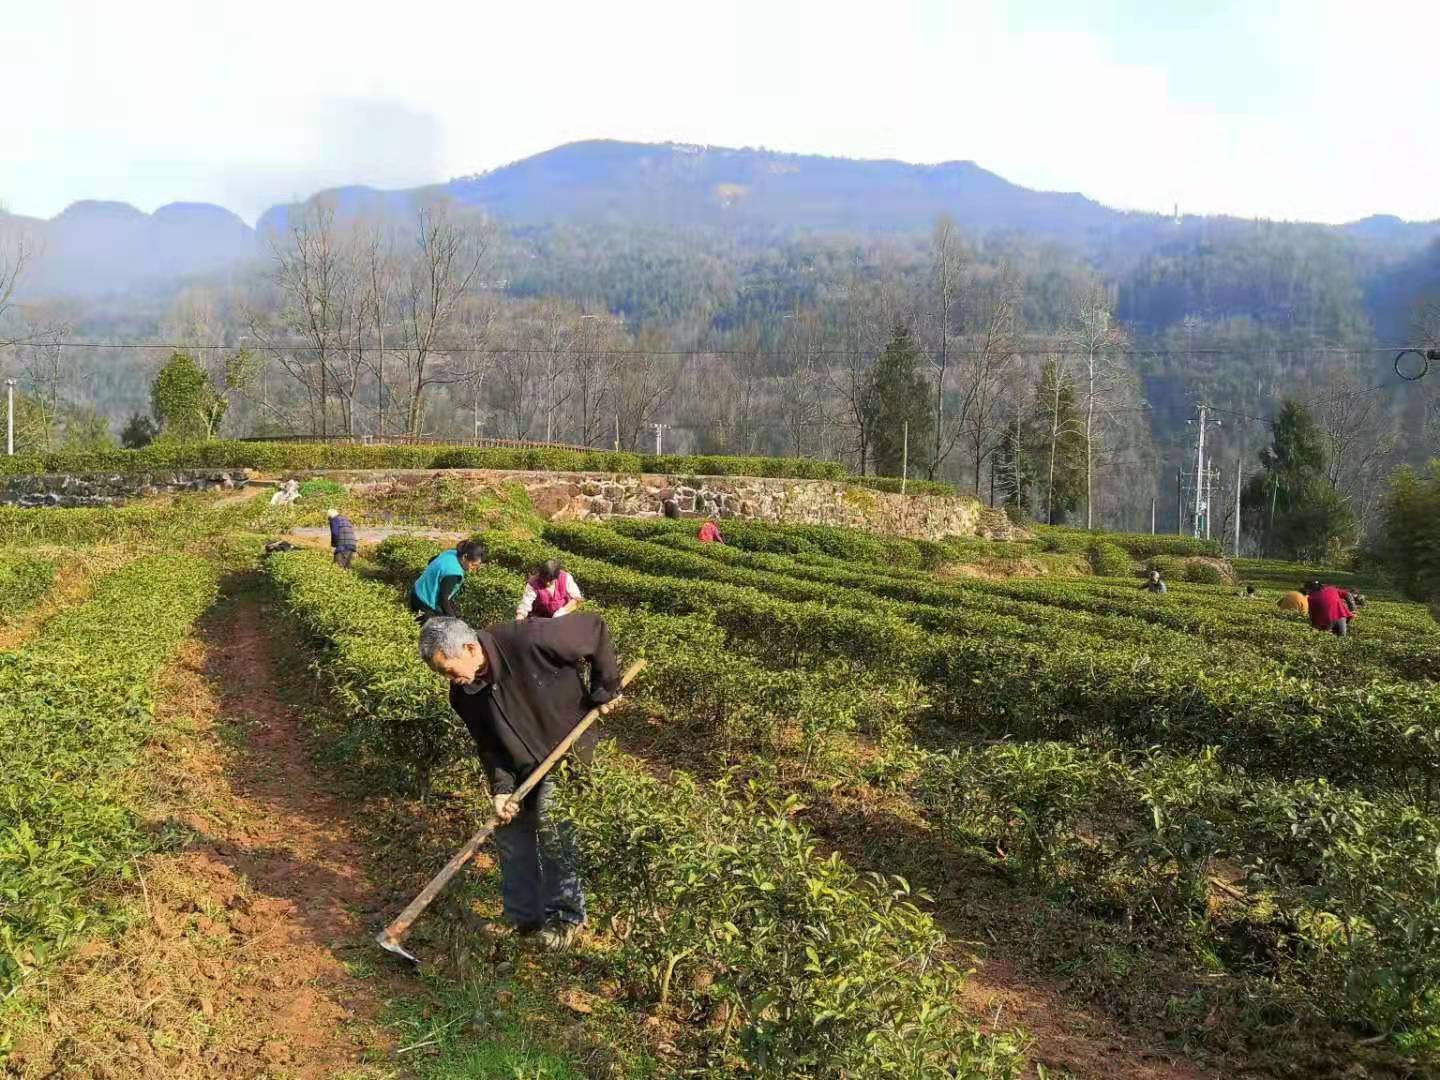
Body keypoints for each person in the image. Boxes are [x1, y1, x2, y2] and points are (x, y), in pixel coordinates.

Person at [418, 613, 621, 949]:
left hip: (566, 751)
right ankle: (523, 918)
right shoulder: (464, 695)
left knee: (552, 825)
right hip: (519, 765)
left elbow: (594, 628)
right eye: (442, 674)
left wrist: (605, 689)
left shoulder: (529, 639)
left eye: (449, 670)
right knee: (510, 830)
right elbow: (489, 746)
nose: (450, 680)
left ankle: (565, 918)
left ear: (470, 648)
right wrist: (502, 790)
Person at [408, 538, 487, 623]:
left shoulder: (451, 553)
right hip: (423, 602)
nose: (473, 569)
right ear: (464, 557)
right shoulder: (453, 573)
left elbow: (431, 560)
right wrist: (454, 620)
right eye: (473, 565)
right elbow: (443, 599)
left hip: (417, 590)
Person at [516, 559, 583, 621]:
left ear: (557, 577)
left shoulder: (565, 578)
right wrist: (518, 622)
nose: (547, 583)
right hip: (540, 620)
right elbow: (524, 606)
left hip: (562, 619)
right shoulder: (533, 584)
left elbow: (577, 599)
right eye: (544, 580)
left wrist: (563, 611)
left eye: (550, 581)